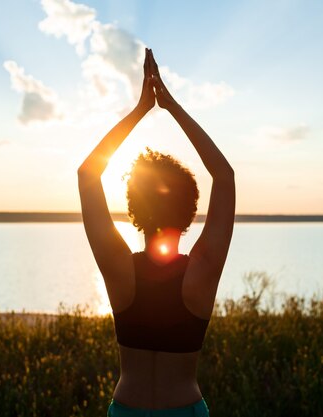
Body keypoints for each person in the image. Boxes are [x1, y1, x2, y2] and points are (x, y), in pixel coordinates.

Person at [78, 48, 235, 417]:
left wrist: (141, 109)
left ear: (135, 207)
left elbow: (88, 175)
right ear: (190, 210)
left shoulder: (119, 269)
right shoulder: (203, 269)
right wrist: (170, 105)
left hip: (126, 409)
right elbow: (224, 177)